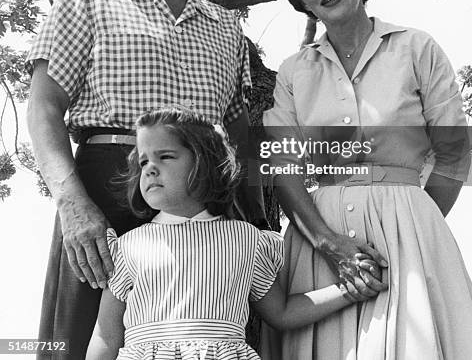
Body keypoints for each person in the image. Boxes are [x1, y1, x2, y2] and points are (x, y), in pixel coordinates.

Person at [26, 0, 267, 360]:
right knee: (80, 344)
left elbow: (238, 136)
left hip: (202, 209)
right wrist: (73, 204)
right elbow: (44, 107)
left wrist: (257, 221)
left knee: (204, 339)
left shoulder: (228, 29)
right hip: (105, 187)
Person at [261, 0, 472, 359]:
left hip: (410, 228)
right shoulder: (294, 71)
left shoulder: (417, 47)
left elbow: (457, 152)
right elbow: (283, 168)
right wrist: (327, 243)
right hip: (318, 240)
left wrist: (414, 222)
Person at [85, 106, 379, 360]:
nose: (149, 169)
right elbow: (106, 337)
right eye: (144, 161)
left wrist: (348, 290)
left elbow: (283, 312)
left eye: (165, 156)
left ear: (204, 164)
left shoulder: (247, 241)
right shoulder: (127, 247)